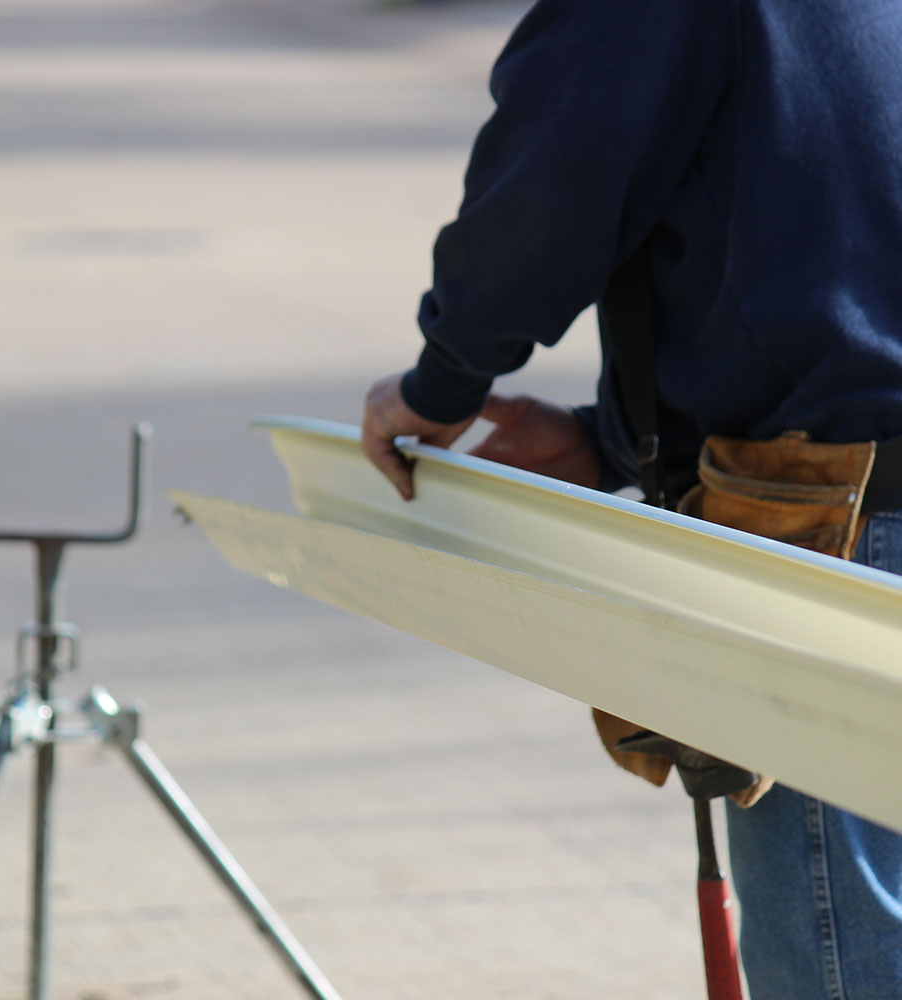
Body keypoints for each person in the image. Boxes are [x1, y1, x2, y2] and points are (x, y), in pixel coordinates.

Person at [359, 1, 902, 997]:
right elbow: (833, 239)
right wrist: (608, 440)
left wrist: (444, 380)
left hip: (847, 536)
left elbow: (552, 180)